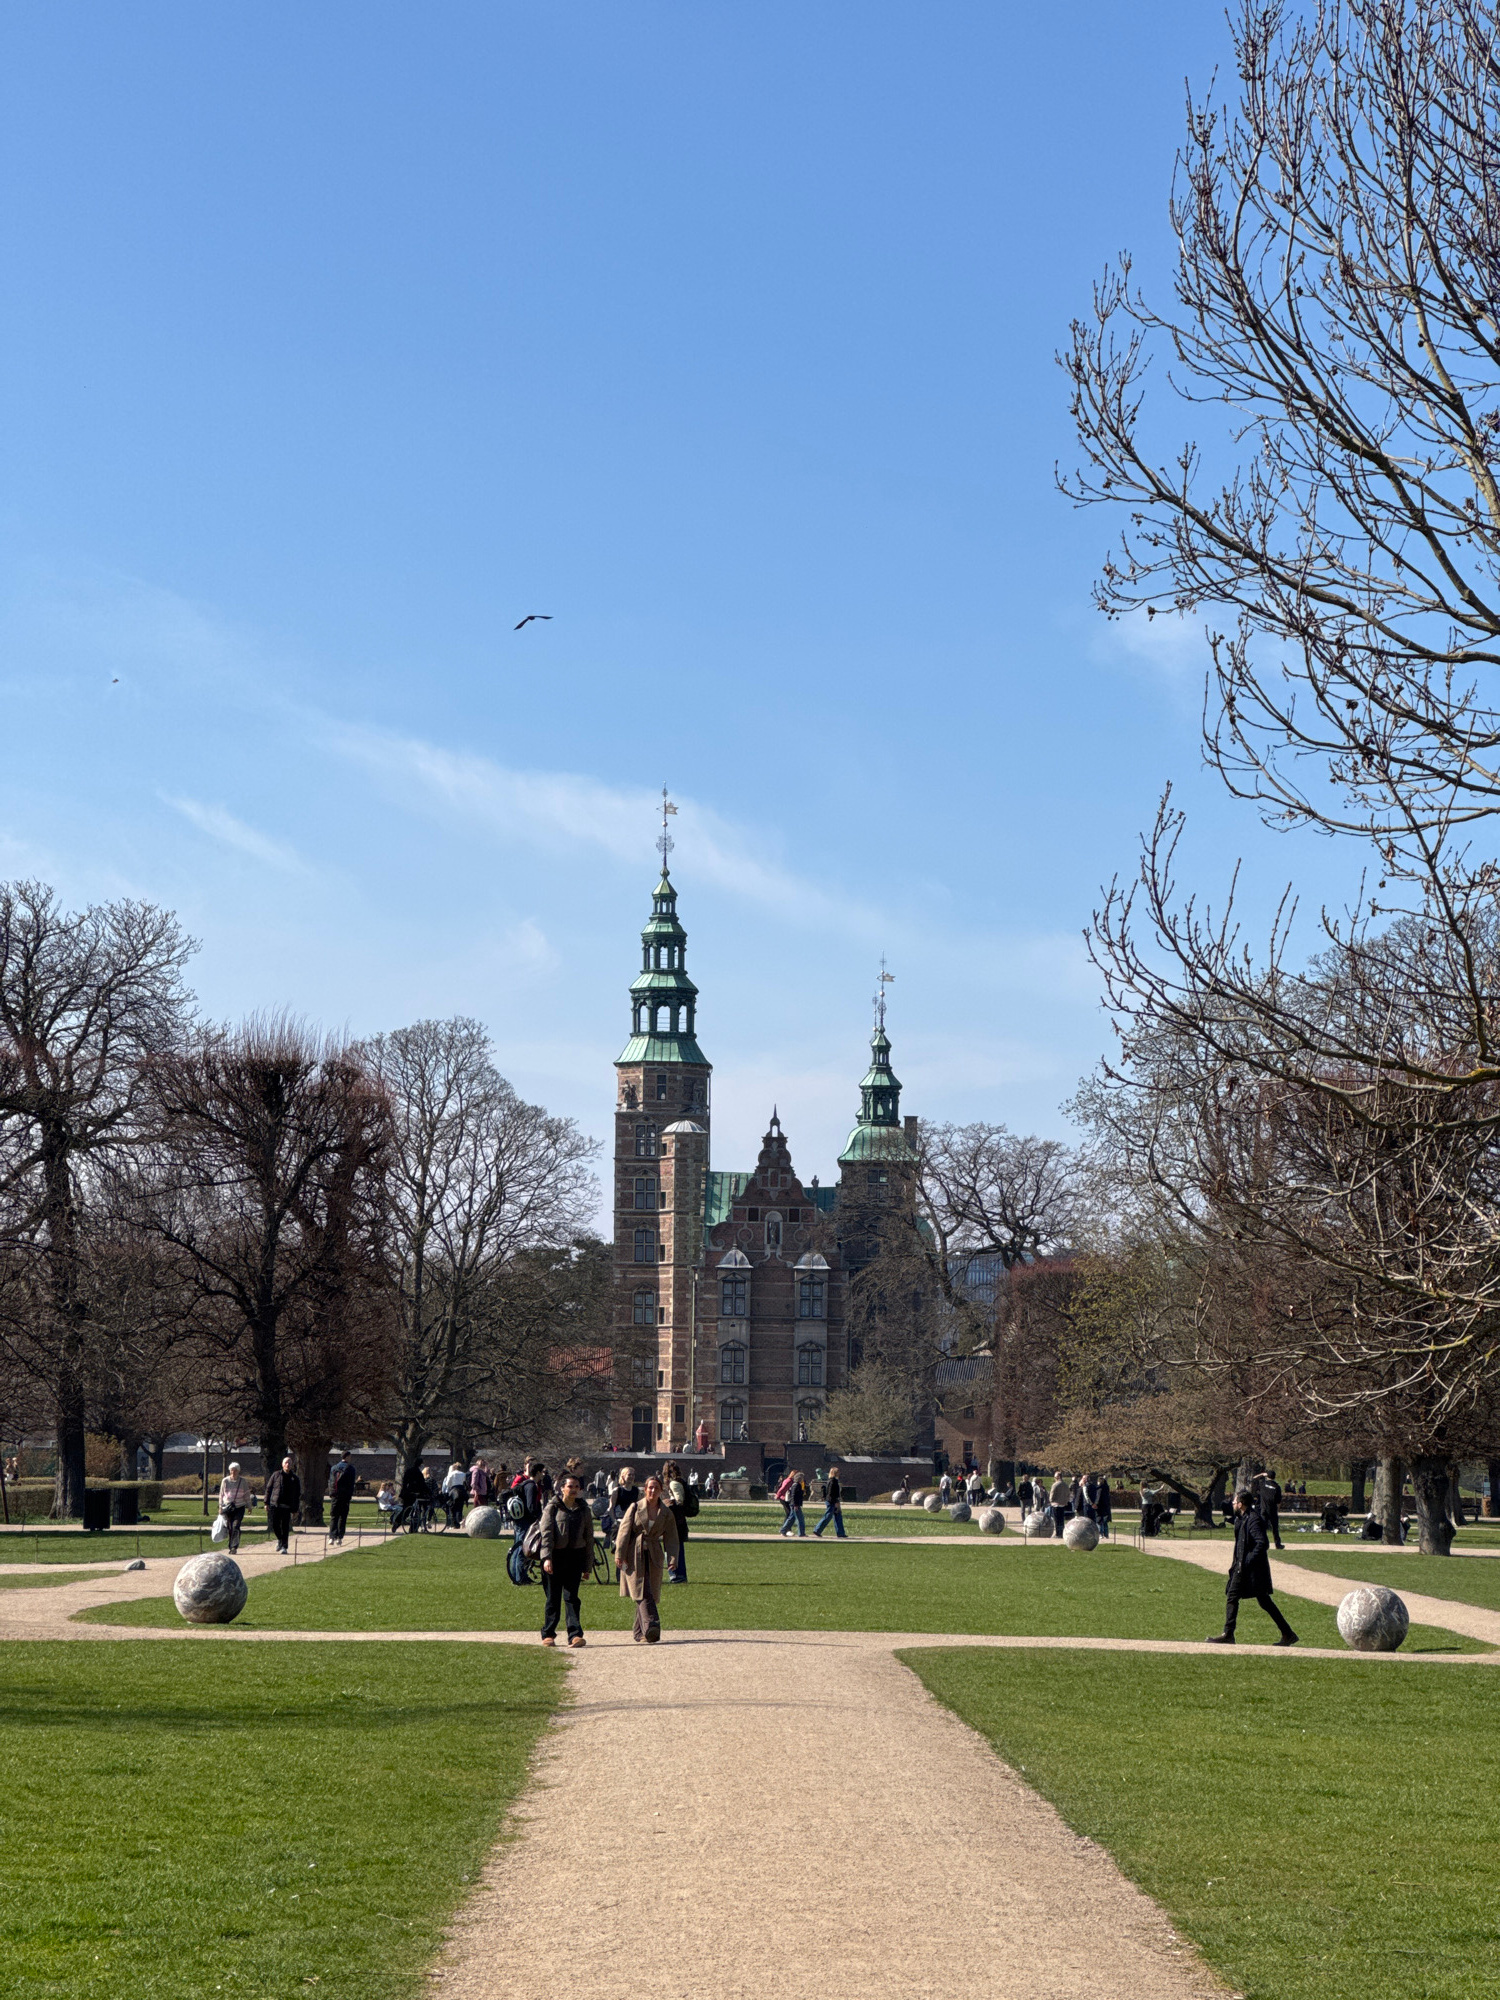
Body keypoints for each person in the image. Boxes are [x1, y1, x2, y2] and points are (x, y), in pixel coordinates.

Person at [1207, 1488, 1299, 1646]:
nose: (1232, 1503)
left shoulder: (1253, 1520)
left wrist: (1247, 1561)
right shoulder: (1242, 1518)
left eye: (1234, 1501)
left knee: (1241, 1598)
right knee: (1254, 1599)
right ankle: (1287, 1633)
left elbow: (1262, 1543)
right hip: (1243, 1567)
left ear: (1241, 1504)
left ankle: (1229, 1634)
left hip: (1252, 1569)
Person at [615, 1472, 680, 1643]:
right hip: (634, 1553)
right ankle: (652, 1624)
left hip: (654, 1554)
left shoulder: (666, 1513)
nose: (652, 1491)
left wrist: (672, 1559)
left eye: (656, 1488)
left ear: (661, 1490)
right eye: (650, 1488)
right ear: (645, 1490)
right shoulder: (635, 1507)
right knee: (641, 1589)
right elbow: (624, 1531)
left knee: (649, 1589)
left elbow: (672, 1538)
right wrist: (620, 1554)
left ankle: (639, 1633)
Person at [540, 1471, 594, 1647]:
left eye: (576, 1486)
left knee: (572, 1598)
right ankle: (548, 1634)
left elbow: (589, 1538)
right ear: (562, 1488)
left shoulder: (584, 1510)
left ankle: (575, 1635)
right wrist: (546, 1558)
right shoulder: (552, 1507)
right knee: (553, 1598)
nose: (573, 1489)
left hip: (575, 1557)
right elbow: (546, 1534)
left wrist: (587, 1566)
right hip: (555, 1557)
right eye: (570, 1486)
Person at [264, 1454, 301, 1553]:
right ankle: (280, 1540)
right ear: (282, 1464)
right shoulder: (276, 1475)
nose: (287, 1464)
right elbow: (268, 1489)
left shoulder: (295, 1478)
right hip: (275, 1505)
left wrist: (295, 1509)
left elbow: (297, 1495)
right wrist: (266, 1503)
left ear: (292, 1465)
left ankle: (284, 1546)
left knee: (285, 1527)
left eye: (289, 1463)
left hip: (287, 1506)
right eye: (286, 1462)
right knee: (275, 1525)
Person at [662, 1459, 691, 1582]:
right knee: (678, 1548)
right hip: (679, 1520)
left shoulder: (674, 1483)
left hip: (675, 1520)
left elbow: (679, 1501)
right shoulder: (680, 1482)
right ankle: (680, 1574)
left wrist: (668, 1503)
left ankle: (675, 1574)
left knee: (671, 1547)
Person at [218, 1462, 252, 1554]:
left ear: (238, 1471)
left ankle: (234, 1547)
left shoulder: (243, 1481)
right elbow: (221, 1494)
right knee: (230, 1526)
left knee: (235, 1526)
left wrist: (249, 1506)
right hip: (228, 1507)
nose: (233, 1472)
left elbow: (246, 1494)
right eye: (232, 1470)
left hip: (239, 1507)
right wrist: (220, 1506)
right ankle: (231, 1545)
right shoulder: (225, 1481)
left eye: (235, 1470)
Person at [327, 1450, 357, 1545]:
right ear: (347, 1457)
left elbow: (331, 1481)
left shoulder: (334, 1468)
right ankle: (339, 1537)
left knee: (334, 1516)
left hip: (335, 1495)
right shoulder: (351, 1469)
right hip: (345, 1496)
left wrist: (331, 1493)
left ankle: (332, 1536)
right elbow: (351, 1484)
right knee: (342, 1517)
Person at [813, 1466, 847, 1539]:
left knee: (837, 1516)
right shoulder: (833, 1482)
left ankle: (841, 1533)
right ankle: (817, 1529)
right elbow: (832, 1493)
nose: (839, 1473)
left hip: (831, 1501)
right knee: (828, 1516)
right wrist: (836, 1502)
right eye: (838, 1472)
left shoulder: (830, 1481)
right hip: (832, 1501)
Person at [1257, 1470, 1285, 1550]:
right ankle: (1278, 1544)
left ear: (1267, 1476)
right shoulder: (1277, 1487)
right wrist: (1277, 1510)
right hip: (1272, 1509)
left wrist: (1262, 1474)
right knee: (1275, 1528)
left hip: (1263, 1509)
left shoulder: (1263, 1484)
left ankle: (1265, 1543)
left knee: (1263, 1528)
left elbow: (1254, 1478)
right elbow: (1278, 1501)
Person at [780, 1472, 808, 1538]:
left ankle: (783, 1530)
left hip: (794, 1504)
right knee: (800, 1519)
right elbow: (794, 1496)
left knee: (791, 1518)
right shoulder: (796, 1485)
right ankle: (801, 1533)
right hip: (795, 1505)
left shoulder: (797, 1485)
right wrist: (795, 1505)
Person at [440, 1461, 466, 1528]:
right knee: (460, 1507)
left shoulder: (451, 1474)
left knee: (452, 1507)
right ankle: (459, 1520)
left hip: (454, 1490)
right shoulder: (463, 1474)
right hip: (461, 1490)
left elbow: (447, 1484)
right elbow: (464, 1482)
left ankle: (454, 1523)